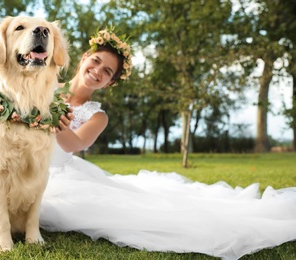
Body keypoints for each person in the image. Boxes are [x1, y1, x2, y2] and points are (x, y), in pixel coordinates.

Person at [40, 28, 296, 260]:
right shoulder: (45, 87)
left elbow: (74, 144)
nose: (98, 71)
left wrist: (47, 114)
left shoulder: (97, 116)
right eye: (96, 61)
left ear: (111, 82)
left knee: (62, 209)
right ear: (85, 57)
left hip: (59, 175)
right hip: (23, 157)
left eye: (107, 71)